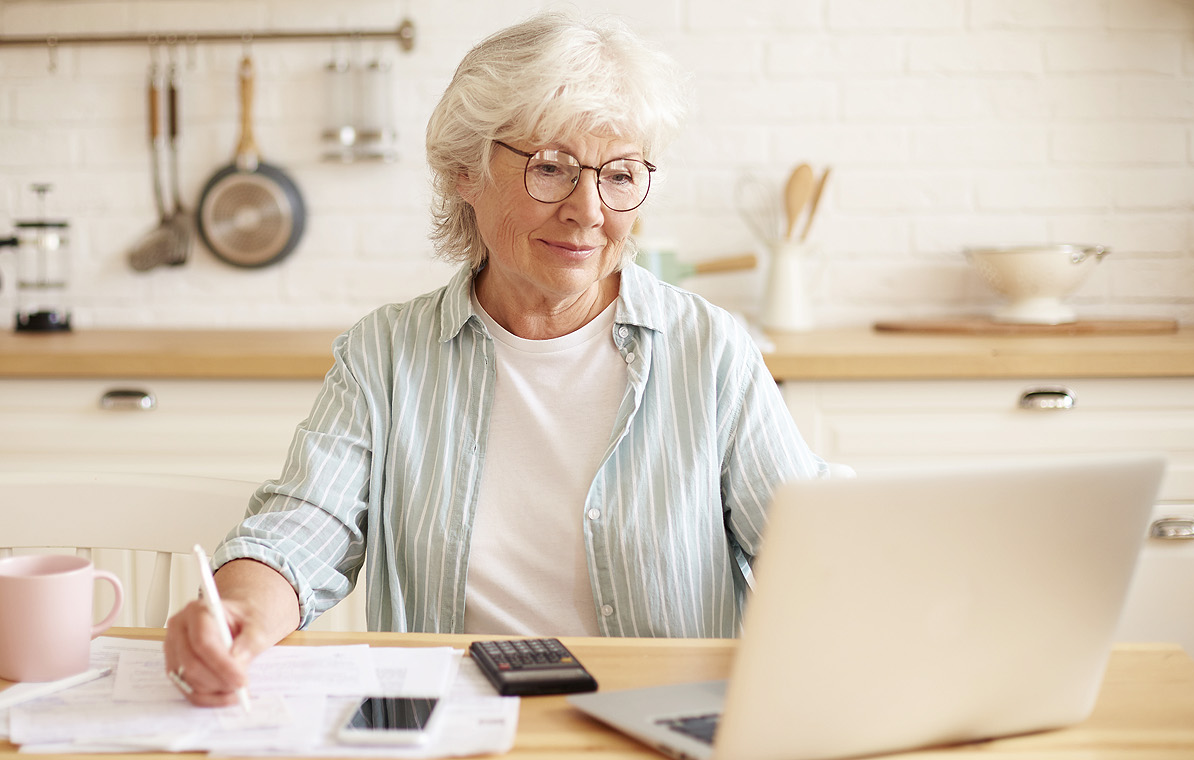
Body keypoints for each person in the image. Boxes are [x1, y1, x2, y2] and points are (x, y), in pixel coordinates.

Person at [164, 11, 828, 707]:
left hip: (665, 726)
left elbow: (810, 541)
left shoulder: (711, 352)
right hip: (453, 725)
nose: (590, 211)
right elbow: (307, 526)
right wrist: (237, 608)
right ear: (464, 172)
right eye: (551, 169)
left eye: (620, 175)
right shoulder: (385, 355)